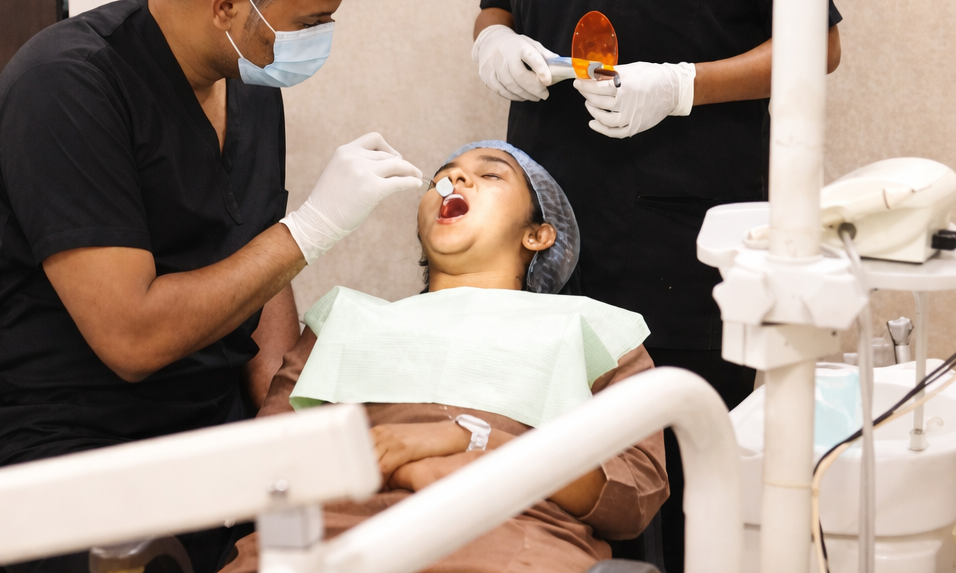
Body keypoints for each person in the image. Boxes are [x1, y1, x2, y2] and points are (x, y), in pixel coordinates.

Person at [469, 0, 843, 571]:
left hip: (691, 231)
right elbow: (496, 5)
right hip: (549, 222)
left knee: (687, 463)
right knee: (563, 465)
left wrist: (681, 87)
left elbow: (818, 46)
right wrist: (497, 47)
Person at [0, 0, 425, 573]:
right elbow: (131, 340)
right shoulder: (66, 90)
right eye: (311, 23)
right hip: (63, 437)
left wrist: (278, 408)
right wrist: (314, 230)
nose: (319, 43)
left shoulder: (250, 78)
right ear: (230, 6)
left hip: (204, 423)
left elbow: (253, 253)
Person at [223, 142, 667, 573]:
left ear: (537, 234)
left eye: (490, 173)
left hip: (507, 539)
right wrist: (409, 471)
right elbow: (261, 470)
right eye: (442, 175)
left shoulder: (593, 329)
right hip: (323, 542)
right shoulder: (342, 319)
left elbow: (632, 497)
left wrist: (478, 443)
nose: (452, 178)